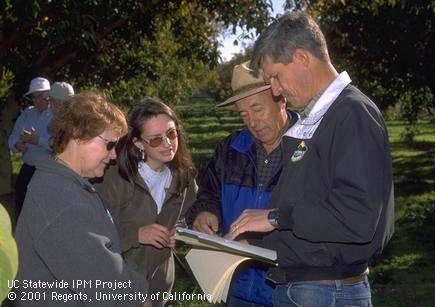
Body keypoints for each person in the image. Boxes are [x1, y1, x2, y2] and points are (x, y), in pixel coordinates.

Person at [226, 12, 395, 307]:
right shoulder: (315, 119)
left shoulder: (352, 114)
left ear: (302, 57)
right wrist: (253, 242)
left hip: (326, 292)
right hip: (305, 288)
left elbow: (357, 217)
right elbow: (310, 208)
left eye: (275, 77)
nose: (275, 90)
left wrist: (275, 217)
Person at [14, 92, 149, 306]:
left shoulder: (69, 184)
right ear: (78, 134)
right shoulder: (62, 200)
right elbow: (107, 289)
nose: (114, 155)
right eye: (110, 145)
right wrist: (140, 296)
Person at [185, 61, 299, 306]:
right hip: (236, 286)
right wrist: (205, 212)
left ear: (281, 99)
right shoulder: (230, 149)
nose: (252, 122)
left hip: (290, 290)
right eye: (244, 114)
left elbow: (321, 216)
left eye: (257, 109)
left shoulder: (310, 148)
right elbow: (208, 194)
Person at [95, 97, 197, 307]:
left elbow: (184, 219)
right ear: (138, 143)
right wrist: (136, 235)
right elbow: (94, 236)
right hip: (118, 288)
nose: (168, 144)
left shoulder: (185, 178)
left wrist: (178, 234)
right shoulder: (114, 178)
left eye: (171, 133)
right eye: (156, 139)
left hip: (160, 287)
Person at [8, 77, 52, 220]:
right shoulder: (27, 113)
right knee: (21, 206)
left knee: (43, 212)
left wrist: (37, 140)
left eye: (40, 96)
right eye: (34, 97)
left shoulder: (56, 115)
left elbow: (59, 144)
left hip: (48, 170)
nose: (37, 100)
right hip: (28, 168)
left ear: (48, 95)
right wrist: (17, 144)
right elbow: (13, 137)